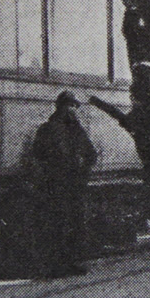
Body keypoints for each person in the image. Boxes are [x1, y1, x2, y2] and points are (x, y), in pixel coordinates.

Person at [30, 91, 98, 277]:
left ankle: (72, 263)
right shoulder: (48, 129)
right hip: (56, 185)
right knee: (58, 224)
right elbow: (38, 155)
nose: (71, 110)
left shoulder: (76, 131)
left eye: (73, 106)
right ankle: (59, 264)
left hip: (72, 184)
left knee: (74, 224)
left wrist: (83, 173)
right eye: (68, 106)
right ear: (60, 107)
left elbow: (91, 154)